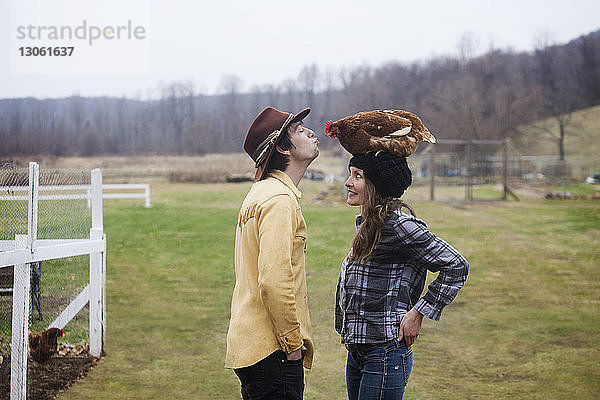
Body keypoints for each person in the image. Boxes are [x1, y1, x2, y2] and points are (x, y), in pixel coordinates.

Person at [335, 151, 469, 400]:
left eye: (358, 176)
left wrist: (418, 313)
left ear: (376, 185)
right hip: (359, 350)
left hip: (385, 352)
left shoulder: (399, 226)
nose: (348, 182)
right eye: (350, 174)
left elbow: (456, 265)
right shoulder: (369, 224)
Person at [225, 106, 319, 399]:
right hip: (273, 349)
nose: (311, 132)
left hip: (251, 344)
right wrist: (292, 345)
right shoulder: (279, 199)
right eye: (300, 130)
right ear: (281, 146)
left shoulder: (259, 192)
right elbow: (274, 281)